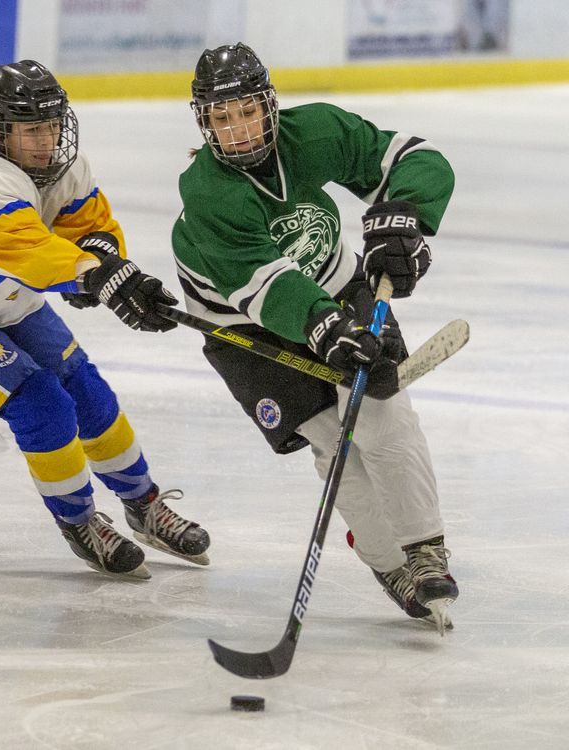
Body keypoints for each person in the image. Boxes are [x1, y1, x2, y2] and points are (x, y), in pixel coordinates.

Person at [0, 61, 210, 579]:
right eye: (31, 130)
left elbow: (90, 226)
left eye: (52, 126)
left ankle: (144, 504)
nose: (47, 142)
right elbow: (36, 254)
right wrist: (97, 277)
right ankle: (79, 521)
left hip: (7, 296)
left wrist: (108, 263)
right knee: (43, 405)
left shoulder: (64, 165)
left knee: (86, 388)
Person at [170, 43, 458, 628]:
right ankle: (388, 562)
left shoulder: (315, 132)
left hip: (337, 282)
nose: (238, 129)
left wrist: (403, 216)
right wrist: (323, 325)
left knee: (383, 412)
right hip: (245, 325)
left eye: (247, 111)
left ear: (269, 106)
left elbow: (415, 157)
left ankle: (425, 549)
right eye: (222, 118)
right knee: (334, 437)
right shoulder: (208, 193)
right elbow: (267, 289)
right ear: (204, 123)